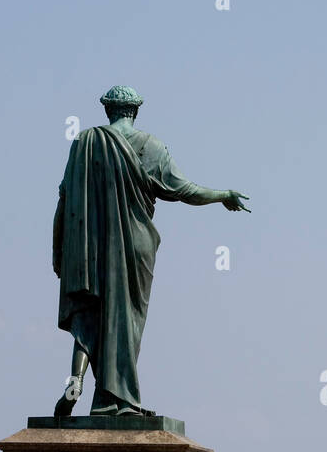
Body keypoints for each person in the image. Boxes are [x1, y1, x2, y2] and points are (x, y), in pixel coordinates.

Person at [52, 84, 250, 417]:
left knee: (91, 310)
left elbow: (64, 200)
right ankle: (122, 401)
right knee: (125, 320)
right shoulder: (150, 146)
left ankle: (77, 378)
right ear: (136, 111)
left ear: (107, 110)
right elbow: (184, 190)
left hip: (90, 246)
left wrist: (59, 248)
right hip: (134, 244)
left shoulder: (83, 144)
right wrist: (223, 194)